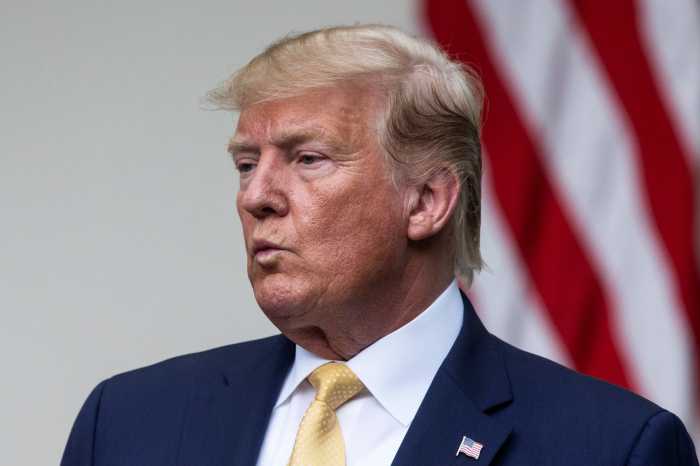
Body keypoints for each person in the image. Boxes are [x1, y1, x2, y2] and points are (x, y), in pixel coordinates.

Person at [61, 24, 698, 466]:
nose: (255, 196)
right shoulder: (127, 422)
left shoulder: (611, 448)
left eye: (307, 159)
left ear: (425, 202)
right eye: (246, 164)